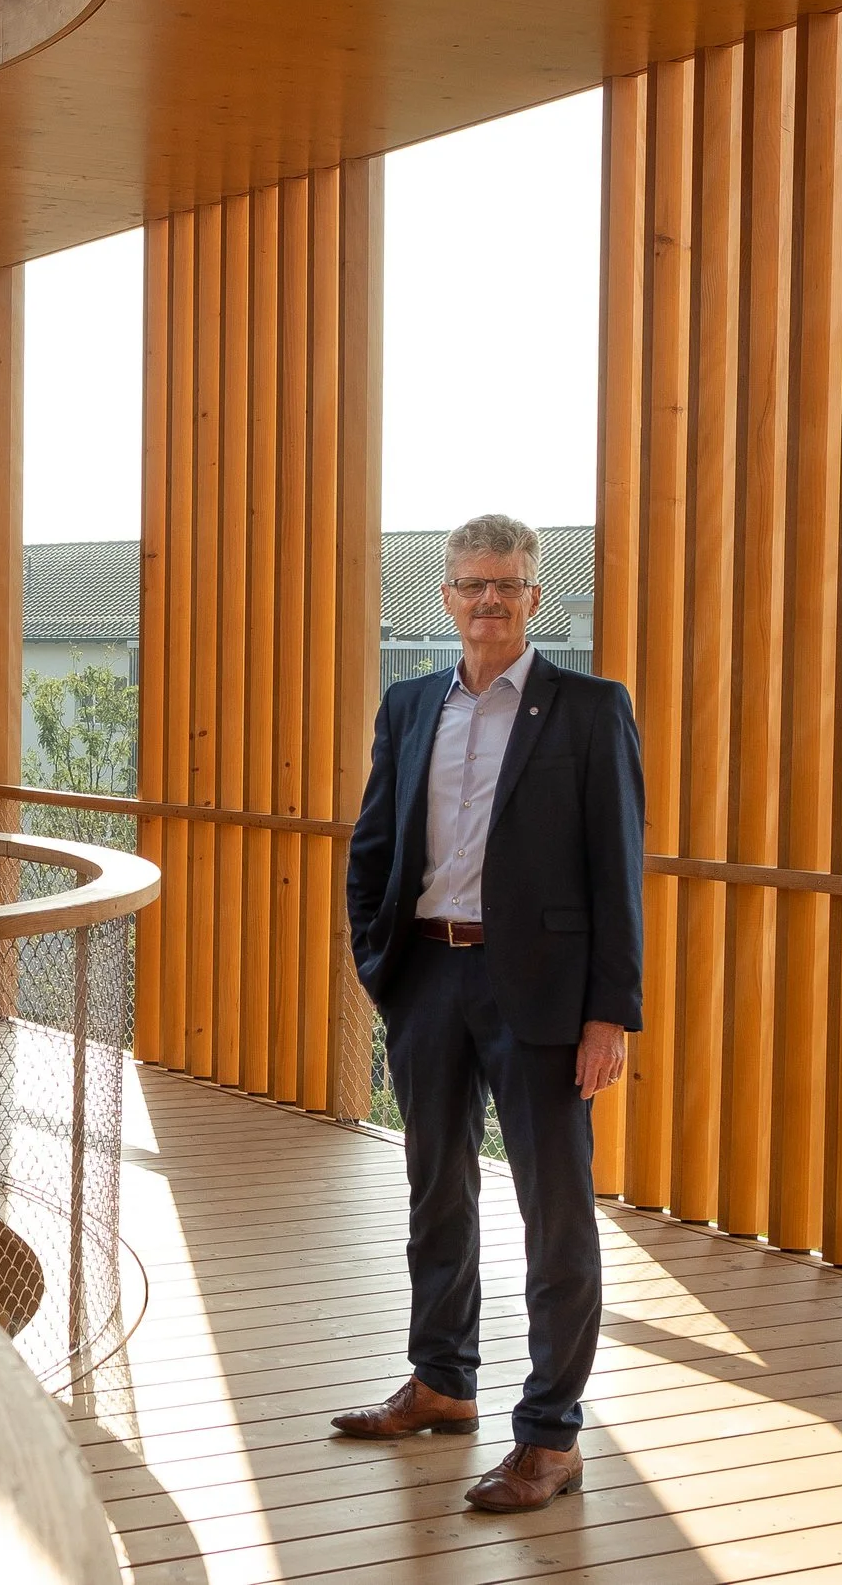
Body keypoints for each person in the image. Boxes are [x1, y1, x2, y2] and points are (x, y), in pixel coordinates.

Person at [334, 512, 644, 1514]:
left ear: (534, 597)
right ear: (446, 597)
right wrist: (381, 967)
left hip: (547, 1000)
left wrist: (611, 1013)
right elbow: (374, 844)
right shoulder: (410, 702)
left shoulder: (589, 710)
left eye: (506, 585)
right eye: (470, 584)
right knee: (435, 1189)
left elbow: (617, 873)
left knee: (554, 1214)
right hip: (428, 977)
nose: (487, 601)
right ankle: (440, 1380)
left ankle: (550, 1435)